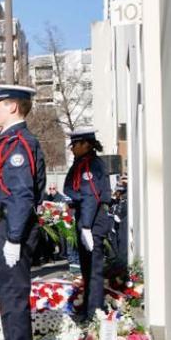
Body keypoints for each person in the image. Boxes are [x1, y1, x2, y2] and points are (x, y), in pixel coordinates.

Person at [0, 84, 45, 340]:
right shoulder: (9, 140)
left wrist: (14, 238)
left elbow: (21, 194)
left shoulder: (18, 142)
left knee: (14, 300)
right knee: (9, 300)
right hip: (4, 224)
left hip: (10, 227)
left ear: (13, 107)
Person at [63, 129, 112, 320]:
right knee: (87, 268)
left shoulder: (91, 165)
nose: (73, 148)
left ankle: (94, 313)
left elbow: (90, 196)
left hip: (92, 220)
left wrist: (85, 227)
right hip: (87, 217)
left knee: (93, 269)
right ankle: (89, 308)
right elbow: (72, 188)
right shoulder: (82, 163)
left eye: (76, 144)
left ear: (87, 144)